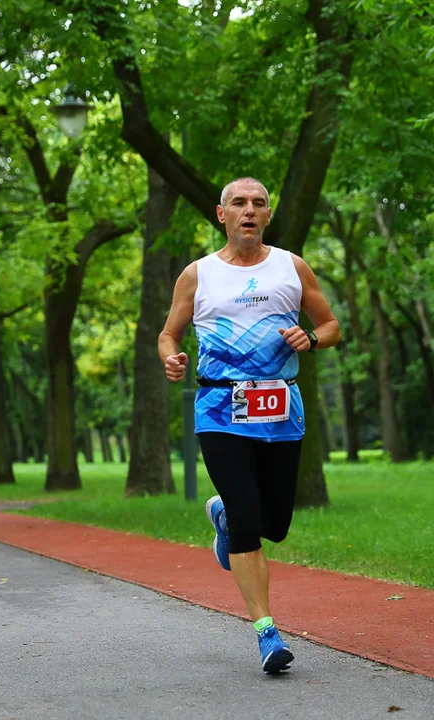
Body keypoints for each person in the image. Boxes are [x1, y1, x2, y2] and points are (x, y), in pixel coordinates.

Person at [159, 177, 340, 674]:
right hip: (219, 408)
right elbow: (168, 334)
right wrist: (172, 359)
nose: (249, 211)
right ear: (222, 214)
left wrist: (311, 338)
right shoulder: (198, 274)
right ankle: (267, 633)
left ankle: (221, 516)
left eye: (258, 204)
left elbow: (330, 325)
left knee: (275, 523)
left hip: (282, 409)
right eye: (238, 203)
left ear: (267, 215)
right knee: (247, 515)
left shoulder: (291, 266)